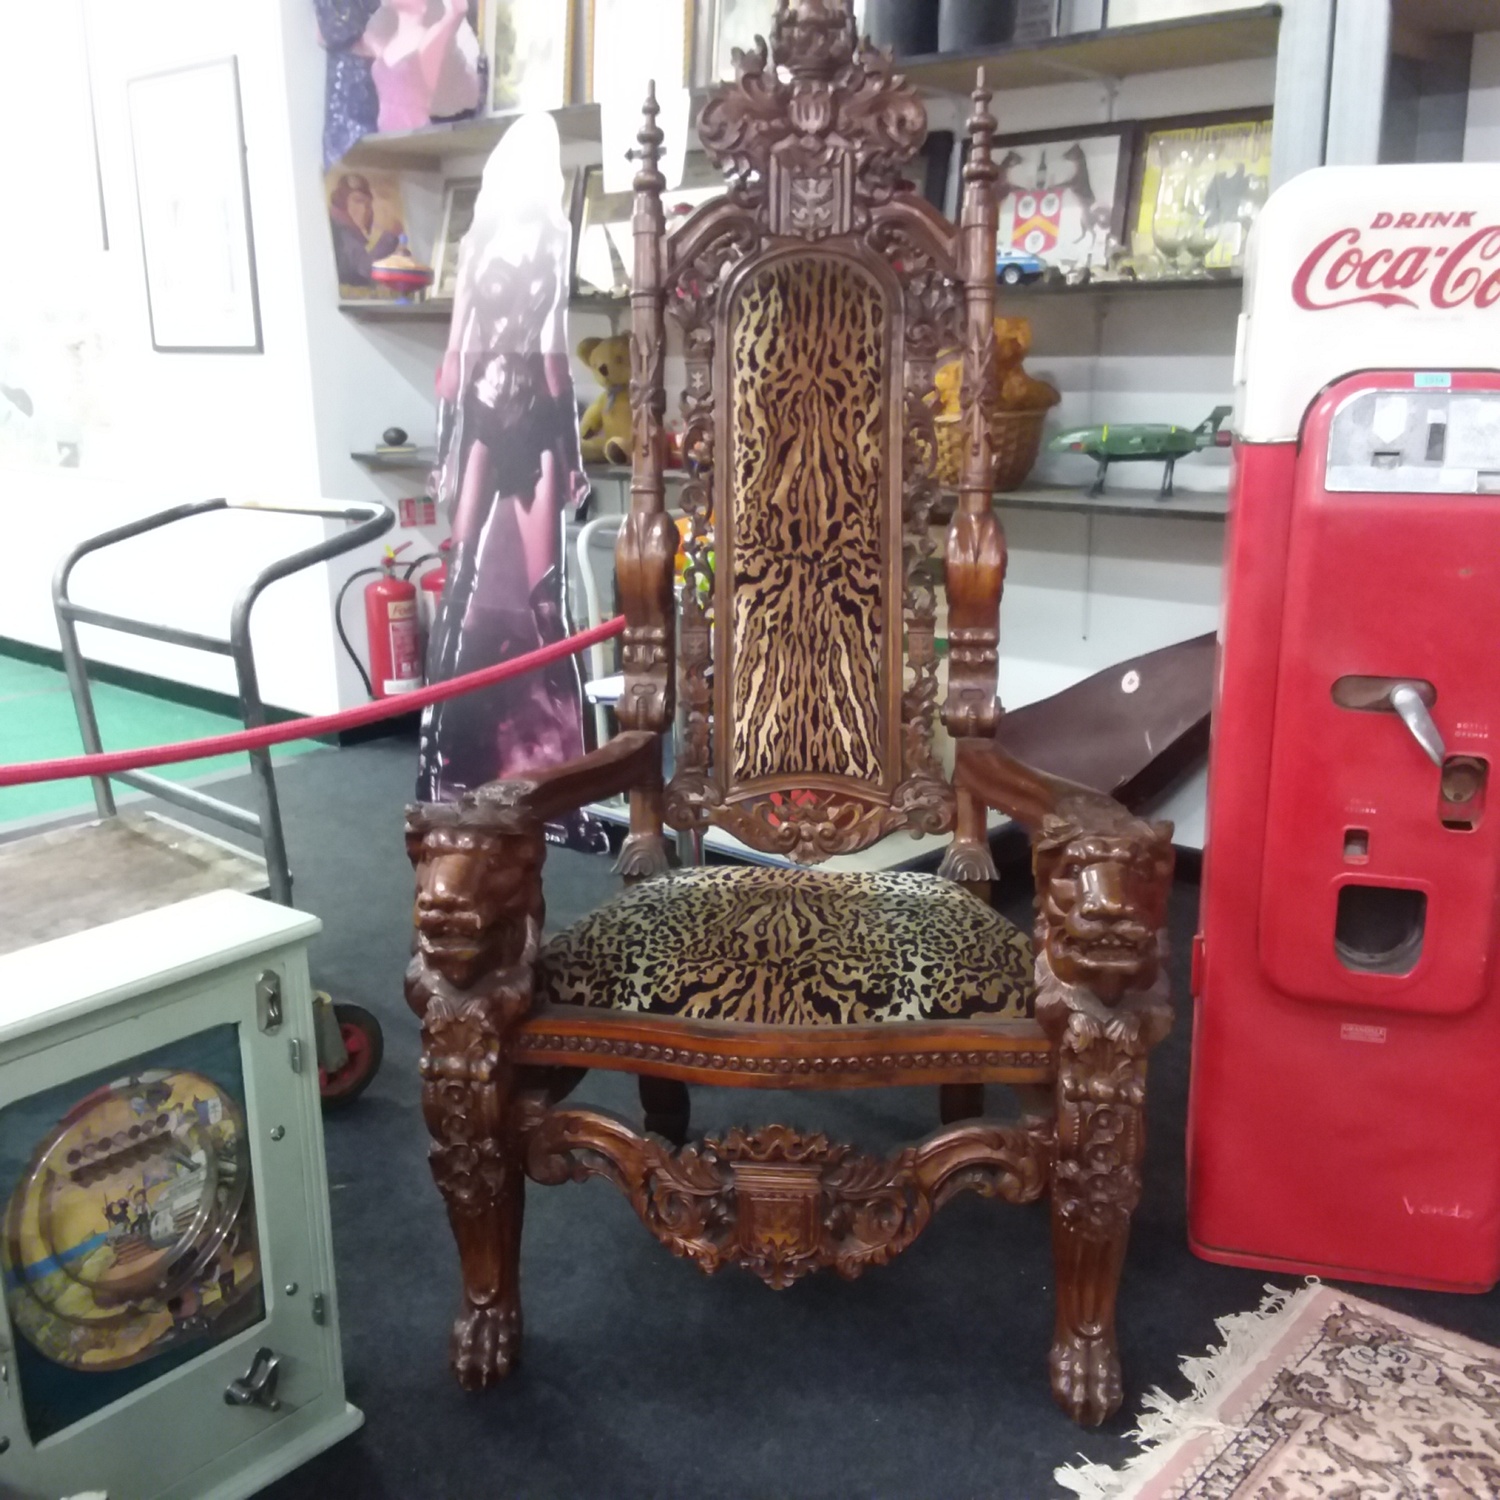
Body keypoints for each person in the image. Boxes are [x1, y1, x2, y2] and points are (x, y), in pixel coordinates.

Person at [417, 113, 595, 833]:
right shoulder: (481, 236)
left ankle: (561, 773)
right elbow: (453, 360)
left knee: (543, 601)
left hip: (537, 424)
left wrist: (573, 455)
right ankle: (441, 757)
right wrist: (444, 458)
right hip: (489, 416)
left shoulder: (553, 235)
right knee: (460, 579)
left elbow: (552, 345)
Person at [360, 0, 480, 134]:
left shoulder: (430, 41)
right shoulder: (384, 38)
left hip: (413, 140)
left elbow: (459, 9)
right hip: (384, 143)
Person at [328, 172, 401, 288]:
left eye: (368, 204)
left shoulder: (347, 230)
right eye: (357, 201)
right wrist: (389, 237)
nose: (364, 209)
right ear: (342, 203)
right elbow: (365, 268)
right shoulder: (342, 232)